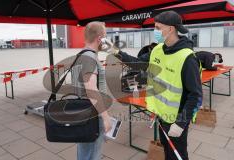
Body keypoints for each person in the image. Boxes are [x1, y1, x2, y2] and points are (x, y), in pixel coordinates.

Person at [106, 11, 202, 160]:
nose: (155, 31)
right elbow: (138, 64)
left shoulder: (187, 58)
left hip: (176, 119)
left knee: (178, 155)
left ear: (170, 29)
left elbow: (195, 95)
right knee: (167, 151)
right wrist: (116, 51)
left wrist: (181, 123)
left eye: (158, 27)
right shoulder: (157, 49)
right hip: (161, 115)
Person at [72, 21, 112, 160]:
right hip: (92, 115)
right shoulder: (89, 57)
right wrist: (106, 118)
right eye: (105, 37)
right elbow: (91, 89)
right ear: (100, 38)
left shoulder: (82, 54)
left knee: (85, 151)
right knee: (91, 154)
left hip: (85, 112)